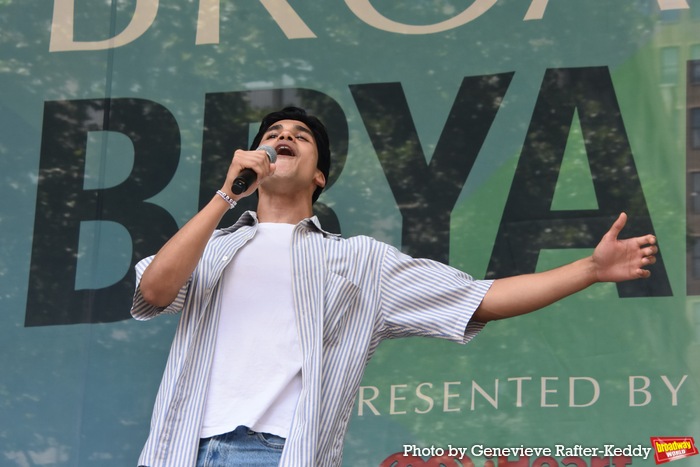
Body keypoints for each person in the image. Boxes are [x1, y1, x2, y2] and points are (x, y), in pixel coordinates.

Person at [131, 107, 658, 467]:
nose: (283, 137)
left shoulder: (359, 260)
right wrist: (227, 195)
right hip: (176, 450)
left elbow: (483, 298)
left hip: (273, 451)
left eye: (300, 135)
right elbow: (155, 292)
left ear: (320, 177)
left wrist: (589, 269)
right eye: (272, 135)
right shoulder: (214, 244)